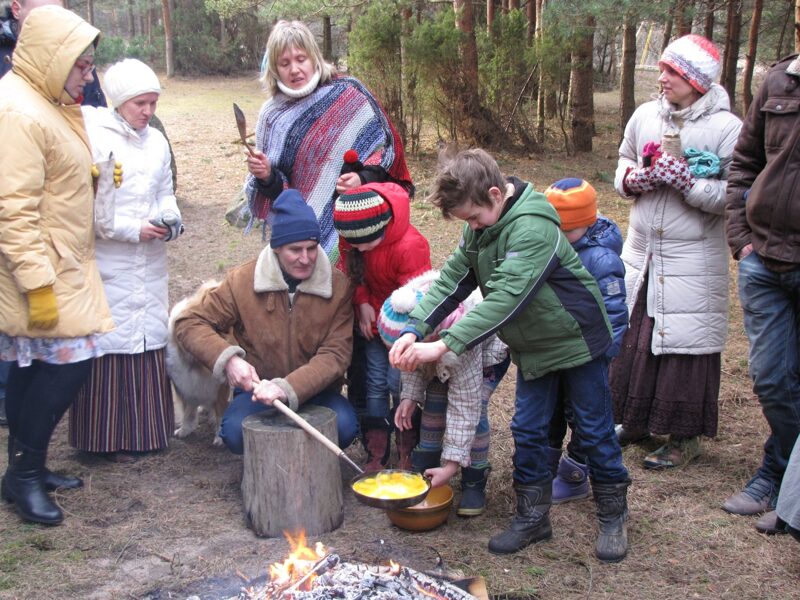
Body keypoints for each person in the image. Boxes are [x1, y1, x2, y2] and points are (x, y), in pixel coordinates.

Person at [389, 148, 630, 562]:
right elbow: (451, 282)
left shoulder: (534, 228)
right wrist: (415, 328)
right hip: (534, 346)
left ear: (496, 195)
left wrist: (444, 344)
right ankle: (533, 517)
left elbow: (504, 298)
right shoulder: (482, 228)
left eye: (473, 217)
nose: (471, 226)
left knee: (592, 429)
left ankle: (613, 514)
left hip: (578, 342)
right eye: (466, 220)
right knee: (529, 428)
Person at [0, 5, 113, 525]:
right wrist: (37, 285)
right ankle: (24, 476)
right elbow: (11, 207)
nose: (88, 77)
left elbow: (51, 176)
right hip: (41, 270)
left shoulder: (48, 101)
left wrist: (92, 176)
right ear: (52, 58)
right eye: (83, 66)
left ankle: (24, 469)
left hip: (62, 261)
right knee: (67, 365)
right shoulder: (19, 111)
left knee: (35, 366)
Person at [610, 34, 742, 468]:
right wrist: (636, 180)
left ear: (695, 80)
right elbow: (624, 163)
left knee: (685, 345)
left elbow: (735, 195)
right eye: (663, 70)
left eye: (671, 72)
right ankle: (637, 422)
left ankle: (684, 438)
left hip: (693, 258)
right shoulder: (646, 115)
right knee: (638, 336)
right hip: (644, 249)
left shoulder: (727, 128)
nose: (662, 78)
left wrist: (688, 183)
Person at [173, 189, 358, 455]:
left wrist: (286, 388)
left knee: (345, 428)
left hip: (316, 392)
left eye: (311, 248)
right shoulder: (243, 281)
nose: (305, 258)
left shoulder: (338, 287)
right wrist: (229, 360)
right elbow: (188, 322)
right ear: (277, 248)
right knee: (234, 434)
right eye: (295, 250)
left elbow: (336, 355)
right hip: (256, 392)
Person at [67, 59, 181, 463]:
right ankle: (99, 439)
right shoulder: (95, 137)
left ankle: (143, 434)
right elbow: (87, 210)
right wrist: (134, 228)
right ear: (119, 101)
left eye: (152, 102)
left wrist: (170, 219)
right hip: (108, 260)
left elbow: (166, 191)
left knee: (145, 336)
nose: (148, 111)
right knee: (110, 339)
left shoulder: (156, 142)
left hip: (149, 262)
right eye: (140, 103)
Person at [241, 19, 413, 263]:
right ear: (274, 68)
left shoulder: (349, 93)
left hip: (360, 226)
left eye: (301, 59)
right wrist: (266, 175)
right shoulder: (272, 116)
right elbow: (279, 190)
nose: (294, 69)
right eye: (285, 63)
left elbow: (386, 150)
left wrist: (362, 178)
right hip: (302, 235)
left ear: (314, 57)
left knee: (358, 296)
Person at [723, 51, 800, 533]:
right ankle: (783, 471)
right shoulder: (780, 81)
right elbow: (744, 163)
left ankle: (781, 481)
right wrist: (742, 240)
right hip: (765, 259)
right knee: (772, 379)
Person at [379, 270, 508, 516]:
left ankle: (474, 478)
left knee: (475, 410)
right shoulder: (413, 311)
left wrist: (451, 466)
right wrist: (410, 396)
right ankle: (425, 468)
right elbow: (414, 363)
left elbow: (464, 404)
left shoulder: (461, 337)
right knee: (434, 406)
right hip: (438, 350)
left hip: (482, 356)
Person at [333, 182, 431, 471]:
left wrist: (401, 335)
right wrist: (361, 302)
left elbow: (417, 297)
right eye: (354, 245)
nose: (359, 249)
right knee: (375, 382)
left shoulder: (410, 246)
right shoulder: (354, 238)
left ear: (382, 227)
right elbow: (353, 271)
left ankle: (407, 444)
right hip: (373, 326)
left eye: (364, 244)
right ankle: (376, 447)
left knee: (399, 383)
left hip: (403, 330)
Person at [543, 179, 627, 503]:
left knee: (585, 418)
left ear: (585, 223)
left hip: (588, 357)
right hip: (554, 352)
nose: (559, 236)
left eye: (567, 230)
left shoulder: (602, 261)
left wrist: (603, 355)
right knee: (550, 412)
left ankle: (575, 473)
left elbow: (616, 315)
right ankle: (544, 470)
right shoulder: (552, 248)